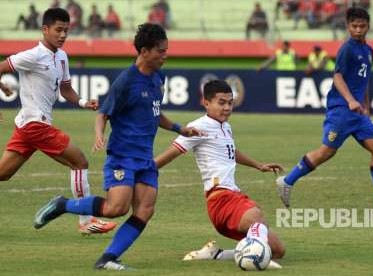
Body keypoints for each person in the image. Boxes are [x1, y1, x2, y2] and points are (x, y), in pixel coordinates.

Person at [33, 23, 203, 271]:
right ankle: (63, 205)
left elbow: (154, 112)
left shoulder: (158, 77)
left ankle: (108, 258)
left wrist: (179, 128)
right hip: (123, 155)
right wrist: (99, 135)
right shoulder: (125, 82)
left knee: (145, 209)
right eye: (161, 51)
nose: (165, 55)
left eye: (166, 50)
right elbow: (103, 113)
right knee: (116, 208)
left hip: (145, 158)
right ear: (144, 51)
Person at [275, 7, 373, 212]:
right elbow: (337, 76)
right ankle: (287, 181)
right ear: (347, 26)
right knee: (327, 152)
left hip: (358, 114)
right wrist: (350, 100)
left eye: (362, 26)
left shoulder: (369, 51)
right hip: (341, 110)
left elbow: (363, 81)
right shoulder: (347, 49)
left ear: (368, 27)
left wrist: (365, 106)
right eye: (354, 26)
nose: (358, 30)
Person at [0, 8, 116, 235]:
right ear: (45, 30)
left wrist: (83, 102)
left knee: (3, 174)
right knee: (80, 162)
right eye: (58, 30)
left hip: (26, 126)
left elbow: (66, 89)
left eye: (66, 30)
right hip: (36, 124)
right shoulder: (33, 55)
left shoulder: (62, 57)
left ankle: (86, 220)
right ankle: (86, 220)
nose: (63, 35)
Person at [154, 79, 285, 268]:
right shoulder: (199, 126)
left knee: (278, 250)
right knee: (257, 217)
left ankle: (217, 255)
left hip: (233, 197)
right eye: (221, 103)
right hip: (221, 199)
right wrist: (144, 171)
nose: (227, 108)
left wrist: (258, 165)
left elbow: (230, 151)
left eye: (230, 103)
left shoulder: (225, 127)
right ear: (206, 103)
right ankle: (255, 257)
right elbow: (171, 153)